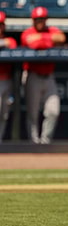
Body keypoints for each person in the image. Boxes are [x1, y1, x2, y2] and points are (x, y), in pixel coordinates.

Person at [20, 7, 66, 144]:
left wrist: (42, 38)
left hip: (49, 76)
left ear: (46, 20)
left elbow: (62, 38)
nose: (40, 22)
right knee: (32, 114)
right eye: (37, 19)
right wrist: (49, 41)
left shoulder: (52, 30)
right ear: (33, 20)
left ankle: (45, 141)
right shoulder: (27, 32)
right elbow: (32, 43)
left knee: (53, 110)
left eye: (42, 19)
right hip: (32, 75)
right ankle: (33, 142)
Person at [0, 11, 17, 143]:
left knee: (4, 114)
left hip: (6, 81)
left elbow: (12, 45)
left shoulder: (9, 40)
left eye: (0, 25)